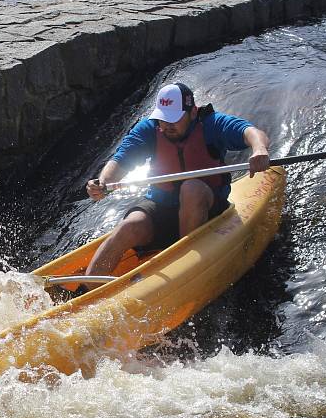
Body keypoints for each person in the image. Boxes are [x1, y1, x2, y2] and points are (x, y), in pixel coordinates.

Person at [85, 82, 271, 276]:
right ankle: (84, 291)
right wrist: (103, 183)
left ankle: (184, 269)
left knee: (191, 189)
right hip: (163, 206)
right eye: (163, 119)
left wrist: (259, 149)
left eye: (173, 119)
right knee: (130, 226)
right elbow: (121, 159)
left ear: (192, 112)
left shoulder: (211, 124)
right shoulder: (150, 129)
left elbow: (251, 132)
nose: (166, 125)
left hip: (205, 209)